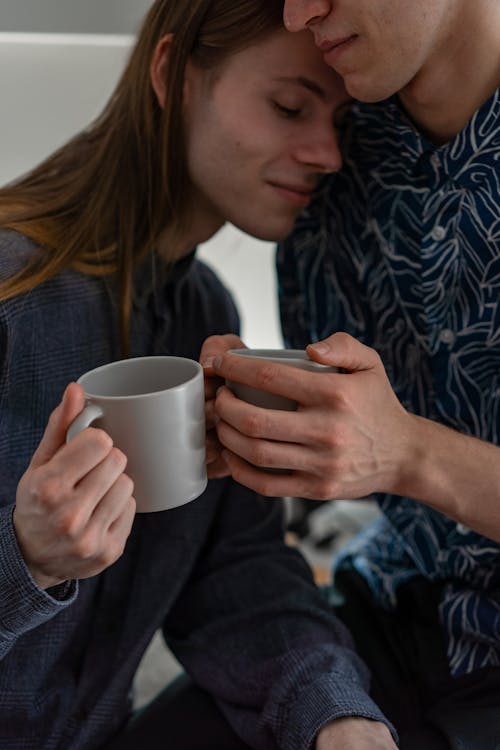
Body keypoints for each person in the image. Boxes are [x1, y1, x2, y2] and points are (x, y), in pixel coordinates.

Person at [0, 1, 404, 749]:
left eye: (338, 122)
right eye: (289, 106)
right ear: (171, 76)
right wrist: (25, 558)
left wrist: (337, 717)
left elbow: (235, 576)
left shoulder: (204, 318)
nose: (327, 153)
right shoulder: (12, 292)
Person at [202, 0, 500, 748]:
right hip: (380, 616)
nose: (300, 12)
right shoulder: (328, 155)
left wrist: (409, 454)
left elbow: (391, 451)